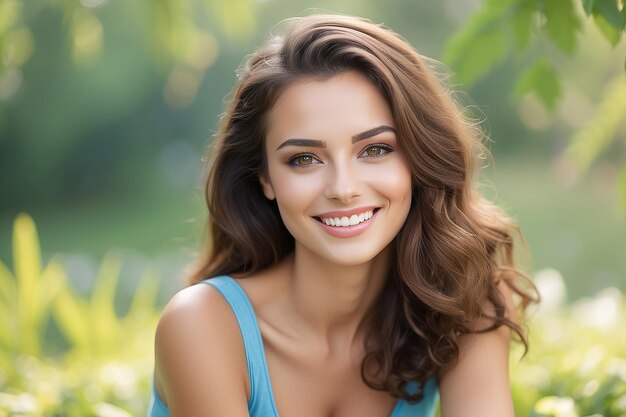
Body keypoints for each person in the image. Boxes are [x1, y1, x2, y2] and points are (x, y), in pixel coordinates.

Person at [147, 12, 538, 417]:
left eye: (375, 149)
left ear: (418, 157)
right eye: (303, 159)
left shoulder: (465, 302)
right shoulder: (202, 326)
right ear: (265, 177)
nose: (344, 188)